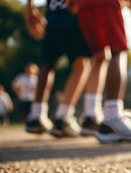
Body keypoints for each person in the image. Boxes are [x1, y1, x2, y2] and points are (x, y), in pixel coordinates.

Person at [67, 0, 131, 143]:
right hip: (106, 3)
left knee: (99, 58)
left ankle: (91, 115)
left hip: (83, 6)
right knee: (118, 51)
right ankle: (113, 116)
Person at [25, 0, 104, 138]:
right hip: (74, 14)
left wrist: (30, 9)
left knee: (48, 65)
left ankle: (36, 115)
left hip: (53, 16)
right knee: (83, 65)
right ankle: (63, 117)